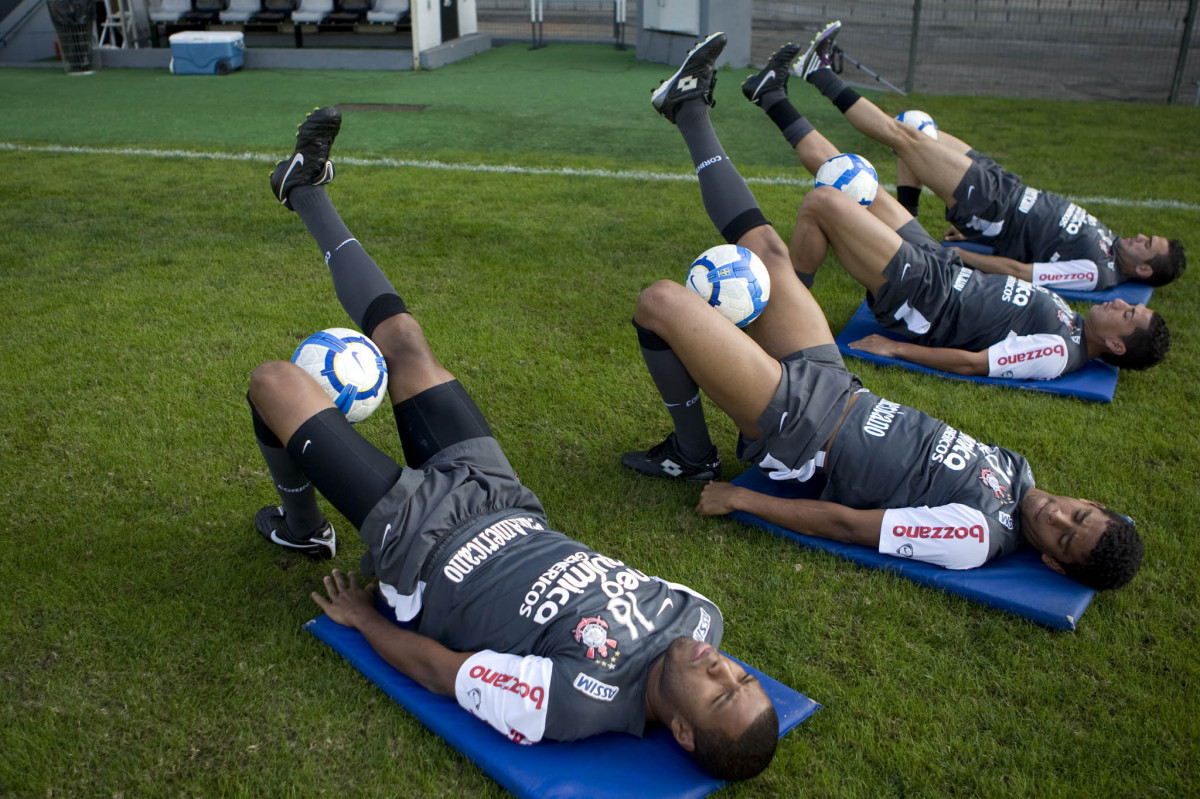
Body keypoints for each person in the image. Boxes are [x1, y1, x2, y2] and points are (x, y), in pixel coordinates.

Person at [247, 107, 779, 781]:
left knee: (276, 382)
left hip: (424, 547)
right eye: (743, 676)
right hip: (503, 497)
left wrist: (367, 620)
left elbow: (446, 673)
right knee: (407, 345)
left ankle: (300, 529)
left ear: (679, 728)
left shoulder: (575, 704)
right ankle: (306, 187)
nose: (722, 667)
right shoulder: (700, 618)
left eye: (720, 692)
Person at [623, 32, 1143, 591]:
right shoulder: (1018, 472)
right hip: (839, 388)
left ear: (1053, 564)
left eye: (1064, 537)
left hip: (801, 430)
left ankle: (692, 455)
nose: (1056, 517)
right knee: (768, 252)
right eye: (1079, 514)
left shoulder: (979, 535)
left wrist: (742, 498)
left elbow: (850, 525)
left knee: (661, 302)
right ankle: (687, 108)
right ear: (1088, 501)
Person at [733, 32, 1170, 382]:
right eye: (1128, 305)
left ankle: (789, 308)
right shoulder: (1070, 321)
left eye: (1127, 314)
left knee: (824, 201)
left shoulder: (1060, 351)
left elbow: (975, 363)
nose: (1118, 305)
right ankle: (770, 94)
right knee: (855, 176)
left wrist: (897, 349)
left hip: (927, 295)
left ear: (1116, 346)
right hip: (942, 268)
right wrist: (960, 254)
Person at [796, 20, 1186, 293]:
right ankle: (907, 221)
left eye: (1146, 244)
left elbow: (1021, 271)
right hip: (1007, 187)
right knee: (917, 124)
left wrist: (957, 253)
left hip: (996, 206)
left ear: (1144, 268)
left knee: (904, 138)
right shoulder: (1112, 244)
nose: (1139, 236)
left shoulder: (1097, 272)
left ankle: (817, 72)